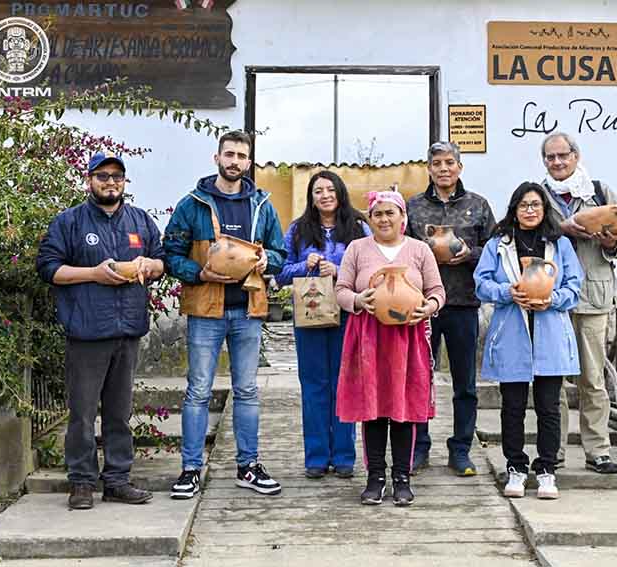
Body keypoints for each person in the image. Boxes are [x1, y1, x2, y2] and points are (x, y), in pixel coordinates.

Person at [37, 151, 164, 510]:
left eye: (117, 176)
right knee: (81, 413)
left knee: (119, 412)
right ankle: (81, 483)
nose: (110, 182)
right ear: (89, 179)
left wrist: (149, 264)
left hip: (128, 330)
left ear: (125, 182)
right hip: (87, 331)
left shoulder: (140, 220)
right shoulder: (69, 222)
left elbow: (162, 260)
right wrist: (93, 273)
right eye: (103, 176)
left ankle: (117, 480)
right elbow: (48, 268)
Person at [164, 130, 286, 499]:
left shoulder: (263, 205)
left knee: (247, 390)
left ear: (249, 162)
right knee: (198, 390)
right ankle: (190, 469)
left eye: (242, 156)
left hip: (248, 310)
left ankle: (247, 467)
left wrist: (268, 262)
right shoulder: (192, 204)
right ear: (216, 158)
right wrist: (198, 273)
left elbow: (280, 253)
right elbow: (170, 252)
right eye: (229, 154)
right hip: (206, 310)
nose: (235, 161)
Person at [335, 190, 445, 506]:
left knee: (402, 409)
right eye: (378, 214)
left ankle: (402, 478)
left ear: (403, 218)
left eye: (390, 213)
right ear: (370, 219)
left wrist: (430, 306)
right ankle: (375, 478)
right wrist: (357, 300)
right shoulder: (357, 249)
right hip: (368, 337)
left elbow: (437, 290)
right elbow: (341, 289)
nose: (384, 219)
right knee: (372, 410)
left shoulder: (419, 250)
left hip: (407, 339)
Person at [474, 182, 582, 499]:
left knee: (549, 407)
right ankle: (516, 468)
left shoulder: (559, 244)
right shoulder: (499, 243)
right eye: (523, 205)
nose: (530, 210)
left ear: (544, 208)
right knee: (513, 407)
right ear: (514, 209)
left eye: (535, 204)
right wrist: (507, 292)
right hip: (512, 330)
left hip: (548, 329)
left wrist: (553, 299)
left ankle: (547, 469)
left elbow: (575, 286)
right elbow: (481, 283)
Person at [538, 132, 617, 474]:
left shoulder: (599, 192)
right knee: (553, 380)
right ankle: (554, 451)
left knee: (592, 379)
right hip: (549, 299)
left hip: (593, 297)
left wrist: (610, 241)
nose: (557, 162)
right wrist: (561, 229)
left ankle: (598, 451)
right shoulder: (538, 195)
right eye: (550, 157)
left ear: (576, 156)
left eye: (563, 155)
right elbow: (528, 238)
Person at [406, 141, 496, 476]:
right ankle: (419, 446)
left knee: (465, 383)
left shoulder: (479, 206)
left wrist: (470, 254)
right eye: (437, 163)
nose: (443, 169)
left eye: (449, 163)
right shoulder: (413, 207)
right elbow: (400, 248)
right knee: (419, 378)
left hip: (462, 303)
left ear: (459, 167)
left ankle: (461, 449)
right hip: (422, 305)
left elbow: (496, 247)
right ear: (428, 168)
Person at [276, 171, 370, 479]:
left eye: (330, 189)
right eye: (318, 191)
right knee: (314, 384)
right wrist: (308, 265)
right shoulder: (298, 230)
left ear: (340, 193)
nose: (325, 195)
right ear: (311, 197)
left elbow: (371, 271)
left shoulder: (358, 228)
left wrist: (339, 269)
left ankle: (344, 456)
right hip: (310, 314)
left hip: (348, 315)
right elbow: (280, 272)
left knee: (345, 381)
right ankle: (316, 457)